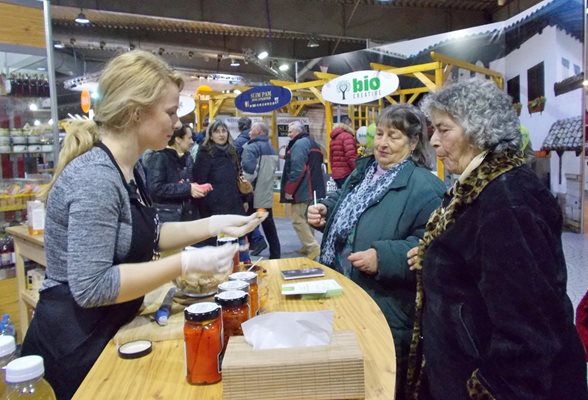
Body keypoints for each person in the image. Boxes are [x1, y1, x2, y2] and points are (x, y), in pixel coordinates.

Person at [20, 50, 265, 400]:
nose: (176, 123)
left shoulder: (131, 169)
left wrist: (213, 224)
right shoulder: (96, 178)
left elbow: (147, 235)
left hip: (105, 332)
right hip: (74, 350)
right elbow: (91, 287)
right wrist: (185, 263)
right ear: (136, 112)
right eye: (169, 112)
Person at [405, 78, 587, 400]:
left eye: (443, 129)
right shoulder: (479, 187)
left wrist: (492, 388)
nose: (433, 141)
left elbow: (529, 329)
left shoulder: (507, 200)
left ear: (479, 130)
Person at [307, 104, 445, 399]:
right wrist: (326, 213)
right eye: (379, 133)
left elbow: (431, 246)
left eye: (393, 136)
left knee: (377, 383)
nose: (382, 143)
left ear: (413, 141)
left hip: (385, 307)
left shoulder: (425, 187)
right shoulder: (364, 172)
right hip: (341, 292)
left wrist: (384, 257)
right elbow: (349, 210)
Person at [192, 119, 250, 247]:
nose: (221, 134)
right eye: (217, 131)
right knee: (218, 245)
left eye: (224, 131)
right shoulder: (204, 153)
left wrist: (244, 199)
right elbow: (199, 181)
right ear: (211, 135)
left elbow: (238, 176)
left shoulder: (232, 151)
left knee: (236, 243)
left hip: (234, 202)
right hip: (213, 206)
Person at [281, 120, 325, 260]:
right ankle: (308, 246)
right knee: (307, 218)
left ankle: (312, 247)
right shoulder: (312, 142)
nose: (288, 134)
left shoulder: (299, 144)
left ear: (298, 131)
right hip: (314, 187)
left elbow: (298, 169)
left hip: (302, 189)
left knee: (297, 219)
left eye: (290, 131)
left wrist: (289, 190)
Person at [143, 124, 204, 223]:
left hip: (188, 216)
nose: (192, 142)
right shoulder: (160, 157)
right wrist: (188, 188)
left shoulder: (188, 157)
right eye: (189, 138)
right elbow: (155, 188)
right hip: (169, 218)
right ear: (178, 140)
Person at [241, 121, 281, 259]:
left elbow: (248, 173)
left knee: (244, 224)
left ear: (259, 132)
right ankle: (276, 254)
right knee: (269, 225)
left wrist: (242, 189)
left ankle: (241, 256)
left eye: (252, 129)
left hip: (252, 194)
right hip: (265, 194)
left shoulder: (251, 148)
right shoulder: (271, 148)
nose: (249, 132)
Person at [329, 122, 357, 188]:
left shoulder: (333, 139)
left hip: (336, 174)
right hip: (346, 173)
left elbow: (331, 158)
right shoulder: (347, 137)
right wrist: (356, 170)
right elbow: (351, 156)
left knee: (341, 194)